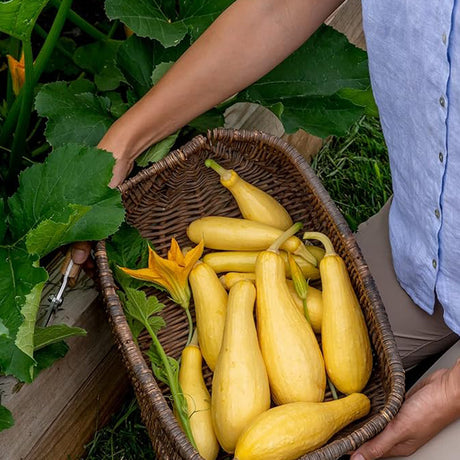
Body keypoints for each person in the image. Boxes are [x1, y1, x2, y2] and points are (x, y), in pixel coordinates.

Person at [72, 1, 460, 458]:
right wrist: (123, 142)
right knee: (342, 347)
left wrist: (450, 393)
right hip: (422, 246)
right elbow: (276, 8)